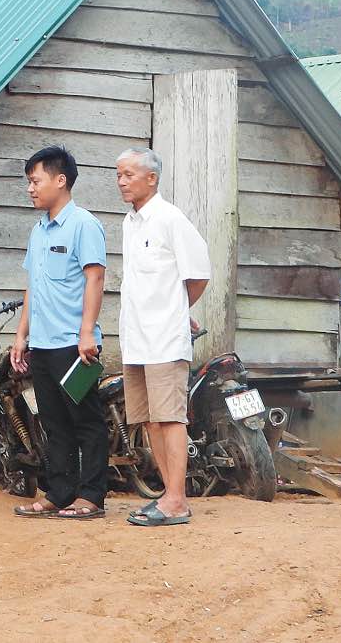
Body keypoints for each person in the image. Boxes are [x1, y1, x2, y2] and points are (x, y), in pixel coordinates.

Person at [10, 146, 109, 520]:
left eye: (35, 181)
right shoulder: (38, 231)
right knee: (53, 423)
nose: (30, 189)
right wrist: (22, 336)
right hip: (44, 343)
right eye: (29, 183)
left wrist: (87, 333)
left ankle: (92, 495)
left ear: (60, 180)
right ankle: (60, 491)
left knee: (86, 421)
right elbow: (32, 286)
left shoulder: (84, 224)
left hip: (74, 344)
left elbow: (95, 278)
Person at [116, 148, 211, 527]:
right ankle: (167, 496)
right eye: (118, 174)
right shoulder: (130, 222)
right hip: (136, 338)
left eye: (128, 174)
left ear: (151, 178)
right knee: (150, 420)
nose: (121, 181)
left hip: (164, 339)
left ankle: (177, 500)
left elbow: (199, 273)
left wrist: (177, 309)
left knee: (170, 418)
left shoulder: (170, 219)